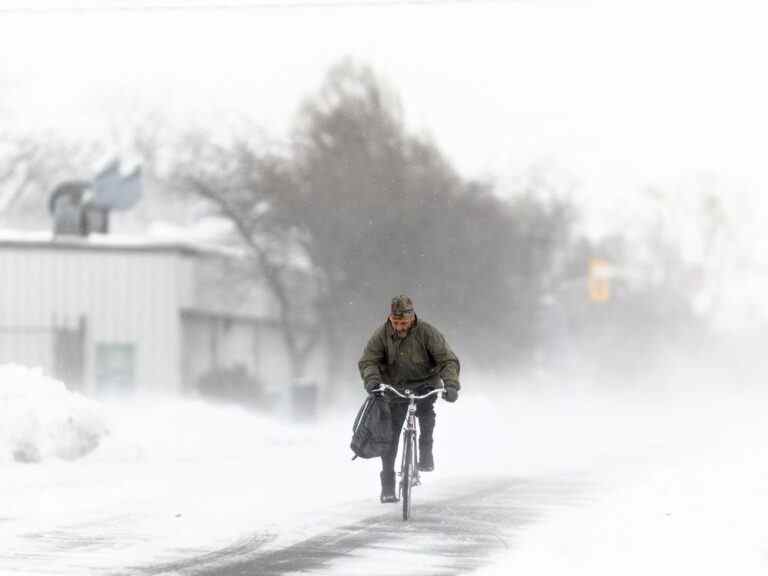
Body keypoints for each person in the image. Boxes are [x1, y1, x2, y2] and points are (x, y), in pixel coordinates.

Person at [358, 295, 461, 503]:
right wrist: (372, 381)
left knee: (426, 414)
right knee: (390, 435)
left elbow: (447, 360)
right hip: (395, 388)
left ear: (412, 317)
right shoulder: (382, 334)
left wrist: (451, 384)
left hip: (425, 384)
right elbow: (368, 360)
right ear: (390, 318)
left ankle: (425, 451)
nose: (399, 327)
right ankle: (388, 484)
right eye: (396, 323)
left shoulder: (427, 333)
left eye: (403, 323)